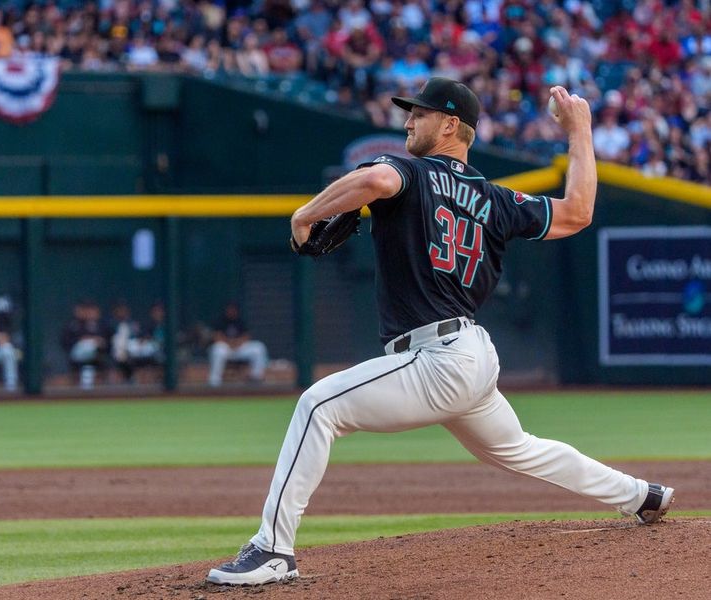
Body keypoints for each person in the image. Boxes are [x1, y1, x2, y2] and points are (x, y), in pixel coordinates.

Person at [207, 78, 674, 586]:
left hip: (439, 356)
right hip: (471, 354)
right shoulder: (496, 198)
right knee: (518, 447)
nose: (408, 121)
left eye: (420, 114)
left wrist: (305, 214)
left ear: (451, 125)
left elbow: (377, 183)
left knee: (318, 406)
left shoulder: (407, 171)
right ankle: (640, 495)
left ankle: (273, 549)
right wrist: (579, 130)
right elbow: (578, 212)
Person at [207, 302, 268, 387]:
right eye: (229, 310)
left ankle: (256, 377)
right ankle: (215, 381)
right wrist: (229, 343)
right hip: (226, 348)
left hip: (239, 348)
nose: (231, 312)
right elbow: (217, 336)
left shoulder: (240, 321)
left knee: (258, 347)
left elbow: (246, 336)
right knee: (217, 349)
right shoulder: (220, 321)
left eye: (233, 310)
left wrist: (237, 343)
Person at [60, 299, 111, 389]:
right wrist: (83, 340)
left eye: (91, 310)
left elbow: (107, 341)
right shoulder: (72, 325)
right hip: (76, 354)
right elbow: (65, 342)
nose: (88, 312)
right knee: (87, 346)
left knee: (93, 349)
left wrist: (98, 341)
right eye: (84, 309)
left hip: (97, 356)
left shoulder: (100, 325)